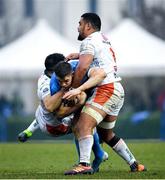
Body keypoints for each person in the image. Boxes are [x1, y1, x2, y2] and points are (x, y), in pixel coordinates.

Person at [62, 12, 146, 175]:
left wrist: (74, 89)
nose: (78, 27)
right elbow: (100, 58)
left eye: (80, 24)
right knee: (105, 134)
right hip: (116, 89)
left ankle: (84, 164)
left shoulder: (88, 41)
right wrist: (79, 55)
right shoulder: (102, 38)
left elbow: (82, 68)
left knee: (83, 125)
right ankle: (134, 164)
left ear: (88, 26)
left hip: (105, 88)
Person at [18, 53, 108, 172]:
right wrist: (68, 90)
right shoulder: (47, 83)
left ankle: (29, 130)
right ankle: (97, 154)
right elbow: (50, 107)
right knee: (83, 124)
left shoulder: (53, 78)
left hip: (45, 119)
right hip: (55, 126)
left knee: (42, 111)